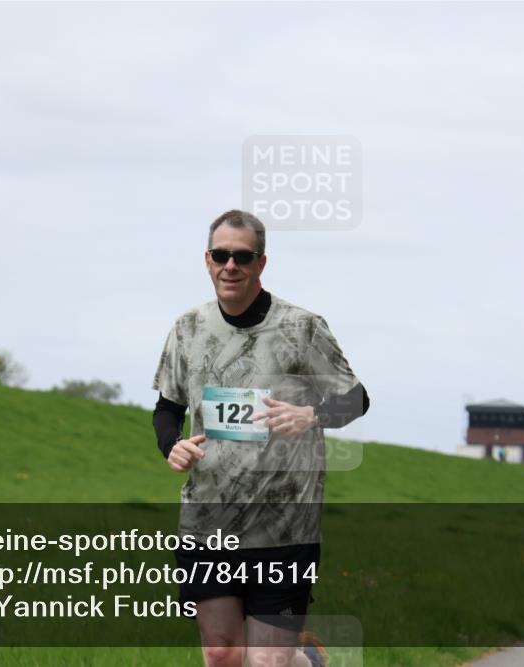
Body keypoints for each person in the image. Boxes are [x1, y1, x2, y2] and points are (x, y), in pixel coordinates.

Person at [151, 210, 369, 667]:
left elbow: (357, 398)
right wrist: (173, 445)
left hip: (284, 526)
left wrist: (313, 414)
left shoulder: (302, 328)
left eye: (242, 256)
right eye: (221, 255)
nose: (231, 265)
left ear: (261, 263)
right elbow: (168, 408)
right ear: (207, 260)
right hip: (208, 524)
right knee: (221, 653)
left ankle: (302, 659)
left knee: (268, 661)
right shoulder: (187, 328)